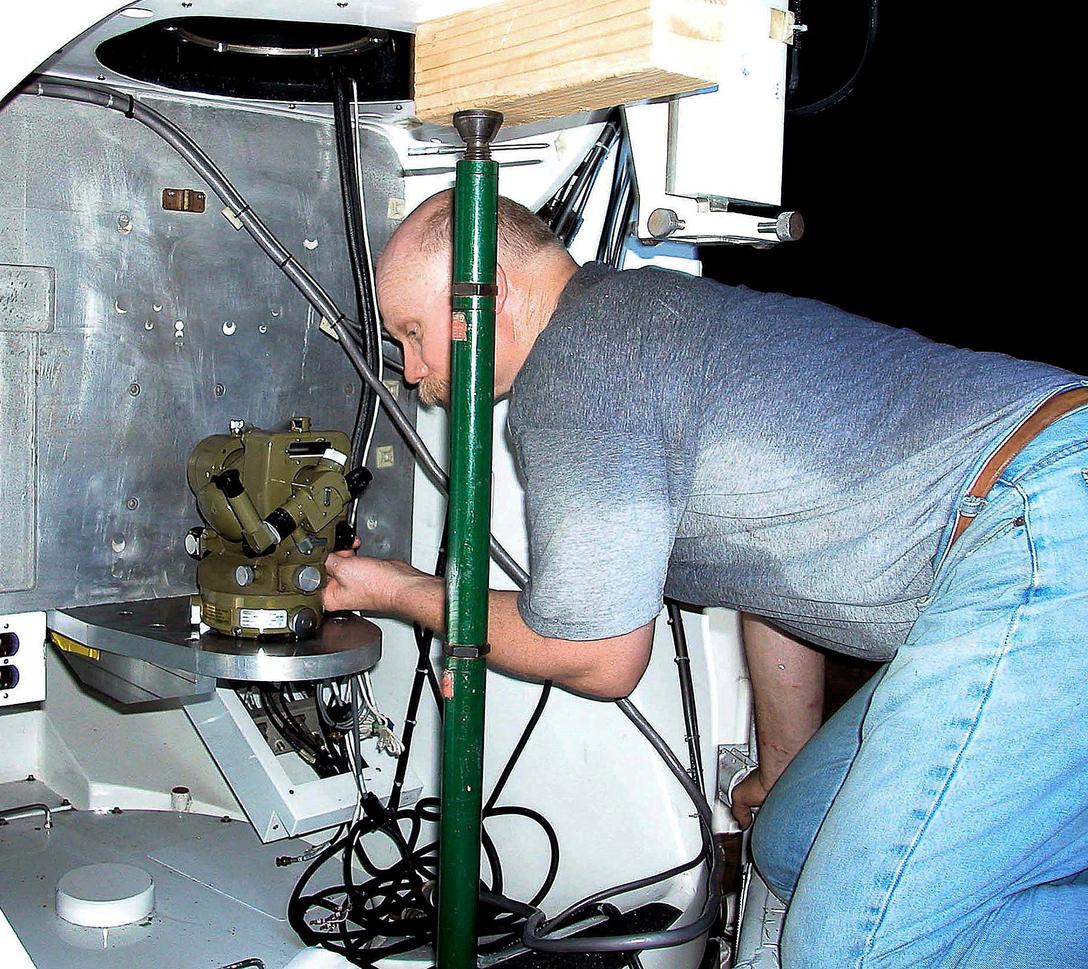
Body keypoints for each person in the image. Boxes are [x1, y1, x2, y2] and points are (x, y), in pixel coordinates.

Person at [322, 190, 1088, 969]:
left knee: (851, 950)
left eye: (414, 335)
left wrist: (400, 590)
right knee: (791, 843)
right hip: (1034, 517)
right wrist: (784, 761)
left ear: (491, 291)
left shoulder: (579, 360)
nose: (414, 374)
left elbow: (598, 652)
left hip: (1044, 517)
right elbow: (778, 573)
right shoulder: (641, 321)